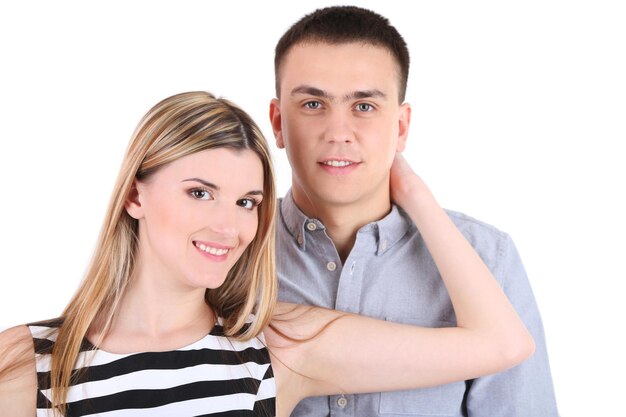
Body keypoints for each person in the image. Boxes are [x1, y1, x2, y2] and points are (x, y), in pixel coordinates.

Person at [0, 91, 533, 417]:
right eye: (199, 192)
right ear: (135, 195)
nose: (229, 227)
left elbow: (502, 343)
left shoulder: (275, 347)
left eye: (247, 202)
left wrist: (412, 193)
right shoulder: (32, 360)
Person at [269, 5, 559, 417]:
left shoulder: (486, 258)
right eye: (313, 104)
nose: (337, 133)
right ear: (278, 123)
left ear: (401, 127)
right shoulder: (230, 251)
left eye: (364, 106)